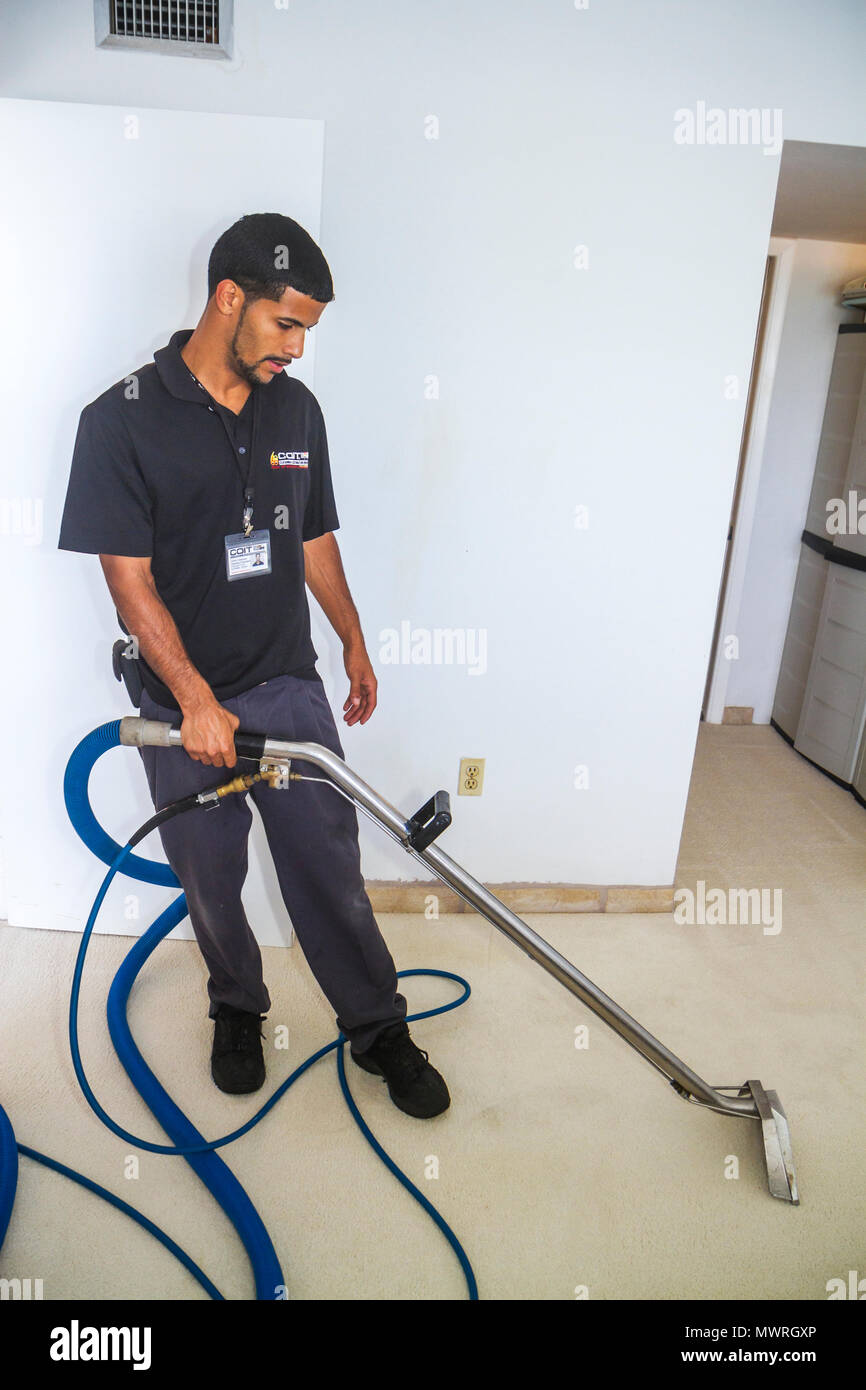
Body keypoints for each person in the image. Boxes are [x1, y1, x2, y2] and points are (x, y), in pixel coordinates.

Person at [57, 212, 450, 1119]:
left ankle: (377, 1025)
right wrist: (193, 699)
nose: (298, 348)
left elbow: (313, 536)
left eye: (308, 329)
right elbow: (131, 584)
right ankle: (237, 1007)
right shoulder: (117, 423)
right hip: (180, 701)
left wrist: (351, 637)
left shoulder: (295, 410)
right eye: (287, 324)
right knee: (211, 876)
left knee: (327, 867)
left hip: (284, 680)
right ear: (228, 298)